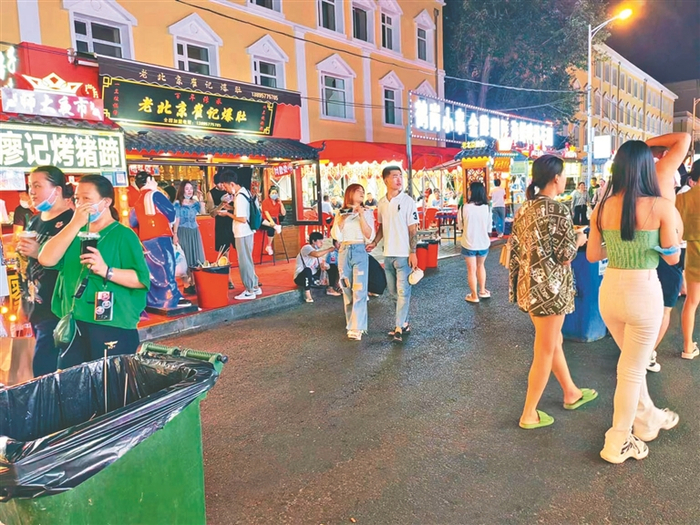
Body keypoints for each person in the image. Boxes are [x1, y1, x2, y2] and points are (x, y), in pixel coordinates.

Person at [587, 140, 682, 464]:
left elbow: (592, 254)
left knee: (632, 364)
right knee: (630, 369)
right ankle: (618, 441)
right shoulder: (661, 206)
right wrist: (654, 246)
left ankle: (649, 418)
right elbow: (672, 258)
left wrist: (620, 245)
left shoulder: (602, 207)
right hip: (643, 293)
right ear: (646, 169)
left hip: (610, 293)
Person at [508, 155, 595, 430]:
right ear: (556, 178)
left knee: (553, 341)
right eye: (564, 174)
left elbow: (516, 249)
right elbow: (566, 256)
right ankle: (528, 413)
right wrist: (580, 238)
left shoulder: (525, 208)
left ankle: (571, 392)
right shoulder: (558, 209)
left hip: (530, 288)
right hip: (551, 291)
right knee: (545, 349)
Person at [39, 175, 150, 368]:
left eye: (87, 199)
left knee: (109, 381)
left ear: (106, 202)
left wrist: (106, 271)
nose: (80, 204)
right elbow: (46, 259)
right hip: (74, 322)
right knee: (74, 380)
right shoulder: (74, 233)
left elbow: (141, 279)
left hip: (112, 323)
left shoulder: (124, 235)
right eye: (77, 199)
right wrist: (74, 223)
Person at [15, 166, 74, 376]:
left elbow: (76, 265)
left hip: (58, 308)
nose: (31, 191)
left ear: (57, 190)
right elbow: (26, 270)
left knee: (47, 368)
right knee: (40, 367)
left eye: (38, 185)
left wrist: (40, 252)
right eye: (30, 186)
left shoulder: (71, 222)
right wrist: (22, 304)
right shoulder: (34, 220)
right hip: (35, 307)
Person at [643, 134, 691, 371]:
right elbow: (684, 137)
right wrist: (646, 144)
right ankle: (645, 355)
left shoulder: (636, 176)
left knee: (646, 306)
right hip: (666, 248)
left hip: (645, 248)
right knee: (664, 308)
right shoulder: (661, 171)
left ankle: (638, 353)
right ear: (664, 155)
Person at [366, 166, 419, 343]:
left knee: (403, 292)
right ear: (385, 180)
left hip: (404, 254)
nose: (399, 179)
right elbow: (382, 226)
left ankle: (398, 328)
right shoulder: (381, 203)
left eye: (400, 176)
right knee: (393, 293)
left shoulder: (408, 201)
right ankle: (404, 323)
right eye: (395, 176)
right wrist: (374, 242)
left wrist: (413, 252)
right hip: (388, 254)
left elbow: (413, 229)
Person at [130, 171, 189, 310]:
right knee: (167, 266)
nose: (155, 182)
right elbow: (171, 212)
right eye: (153, 179)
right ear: (149, 180)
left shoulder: (138, 199)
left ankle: (154, 299)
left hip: (146, 238)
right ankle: (171, 297)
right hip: (160, 235)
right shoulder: (155, 194)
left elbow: (132, 221)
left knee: (153, 269)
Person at [331, 184, 374, 340]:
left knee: (360, 289)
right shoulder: (340, 212)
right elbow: (336, 235)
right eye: (358, 191)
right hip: (344, 250)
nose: (362, 194)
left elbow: (369, 235)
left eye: (363, 191)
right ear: (350, 193)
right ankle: (351, 324)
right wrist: (344, 218)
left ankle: (357, 327)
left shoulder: (367, 212)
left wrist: (361, 215)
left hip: (359, 250)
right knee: (347, 288)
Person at [221, 167, 261, 300]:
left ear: (232, 184)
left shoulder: (239, 197)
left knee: (244, 262)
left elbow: (242, 218)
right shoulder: (246, 192)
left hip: (242, 233)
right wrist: (231, 208)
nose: (226, 189)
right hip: (248, 231)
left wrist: (227, 214)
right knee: (248, 260)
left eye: (226, 186)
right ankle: (255, 285)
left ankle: (249, 289)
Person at [676, 159, 700, 360]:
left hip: (693, 254)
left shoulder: (683, 198)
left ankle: (688, 347)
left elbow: (676, 229)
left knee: (691, 301)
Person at [173, 181, 206, 295]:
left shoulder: (195, 203)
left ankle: (193, 283)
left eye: (191, 188)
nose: (189, 191)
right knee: (184, 258)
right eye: (187, 189)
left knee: (196, 257)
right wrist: (175, 234)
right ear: (182, 190)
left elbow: (203, 212)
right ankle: (187, 284)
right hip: (182, 231)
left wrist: (201, 201)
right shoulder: (177, 203)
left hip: (194, 232)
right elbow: (176, 219)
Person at [462, 181, 492, 303]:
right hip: (483, 243)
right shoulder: (487, 208)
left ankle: (474, 296)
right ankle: (483, 291)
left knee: (471, 269)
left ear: (472, 192)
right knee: (481, 266)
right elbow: (489, 227)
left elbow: (460, 226)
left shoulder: (465, 207)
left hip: (469, 242)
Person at [206, 171, 235, 289]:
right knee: (225, 252)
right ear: (215, 184)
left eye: (223, 183)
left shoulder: (231, 189)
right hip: (221, 225)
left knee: (241, 250)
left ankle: (250, 276)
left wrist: (230, 207)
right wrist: (221, 205)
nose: (222, 186)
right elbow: (212, 213)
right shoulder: (211, 194)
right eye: (219, 184)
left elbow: (237, 208)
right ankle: (228, 279)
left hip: (233, 222)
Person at [293, 231, 338, 303]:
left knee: (332, 266)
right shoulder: (306, 248)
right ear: (313, 241)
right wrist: (329, 250)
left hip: (313, 276)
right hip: (301, 277)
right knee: (307, 270)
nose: (322, 243)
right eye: (320, 241)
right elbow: (316, 254)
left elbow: (320, 263)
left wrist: (323, 266)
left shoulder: (317, 251)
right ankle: (307, 295)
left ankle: (330, 288)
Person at [261, 186, 286, 256]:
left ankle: (269, 246)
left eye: (276, 193)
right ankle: (276, 227)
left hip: (274, 222)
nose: (274, 194)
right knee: (272, 223)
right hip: (265, 221)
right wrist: (271, 221)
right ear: (269, 194)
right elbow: (266, 213)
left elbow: (283, 213)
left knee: (272, 225)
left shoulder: (278, 202)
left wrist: (281, 203)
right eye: (273, 193)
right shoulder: (265, 202)